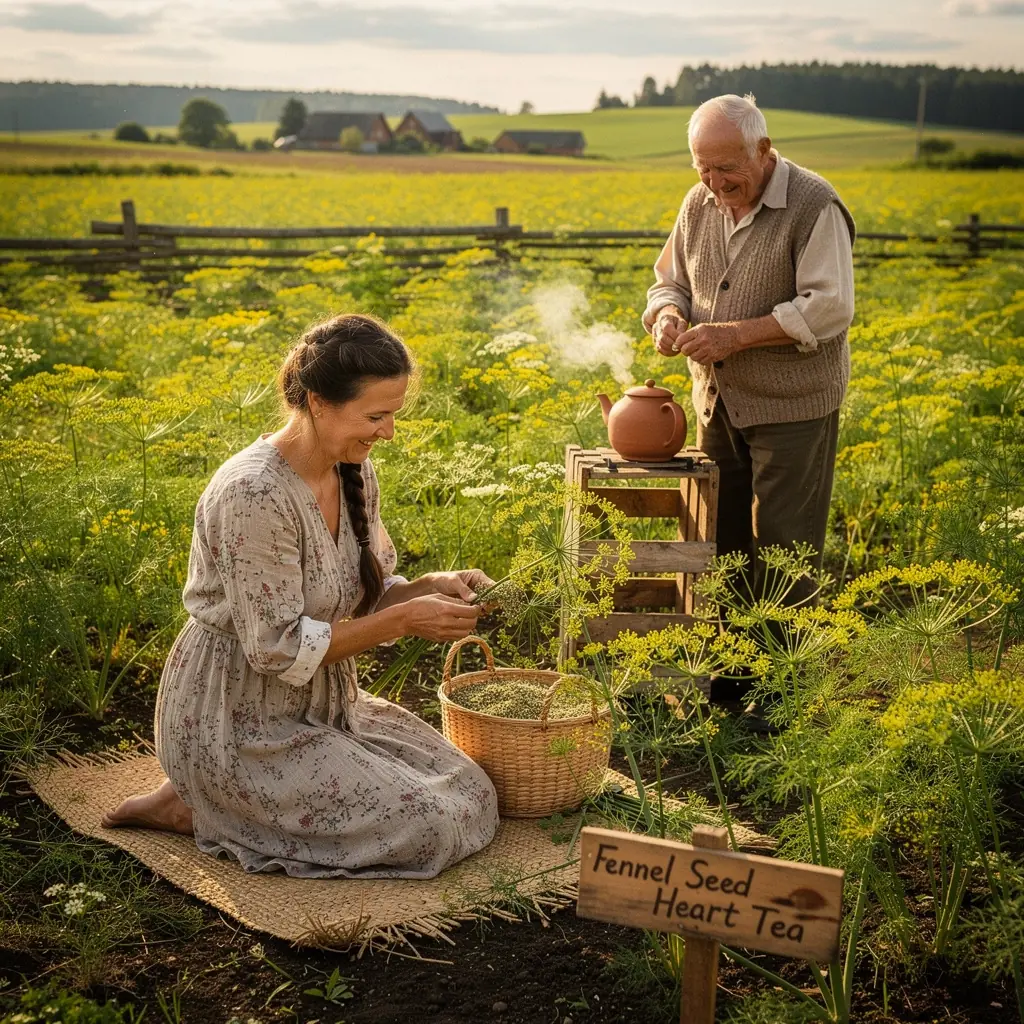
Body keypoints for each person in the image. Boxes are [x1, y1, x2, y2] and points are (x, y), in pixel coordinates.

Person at [103, 314, 500, 879]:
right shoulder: (254, 495)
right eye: (375, 415)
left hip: (327, 707)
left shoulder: (352, 470)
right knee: (428, 823)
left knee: (473, 791)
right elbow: (278, 649)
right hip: (242, 723)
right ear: (317, 402)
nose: (388, 432)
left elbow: (355, 595)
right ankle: (200, 798)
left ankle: (204, 802)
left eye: (394, 414)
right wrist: (406, 621)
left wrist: (427, 587)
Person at [643, 93, 855, 607]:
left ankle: (785, 679)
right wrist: (668, 315)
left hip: (792, 406)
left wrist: (735, 335)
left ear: (763, 150)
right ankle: (730, 679)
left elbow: (830, 307)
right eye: (703, 169)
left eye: (727, 168)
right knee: (721, 541)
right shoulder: (697, 203)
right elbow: (668, 281)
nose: (714, 183)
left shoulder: (813, 205)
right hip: (717, 403)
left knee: (784, 546)